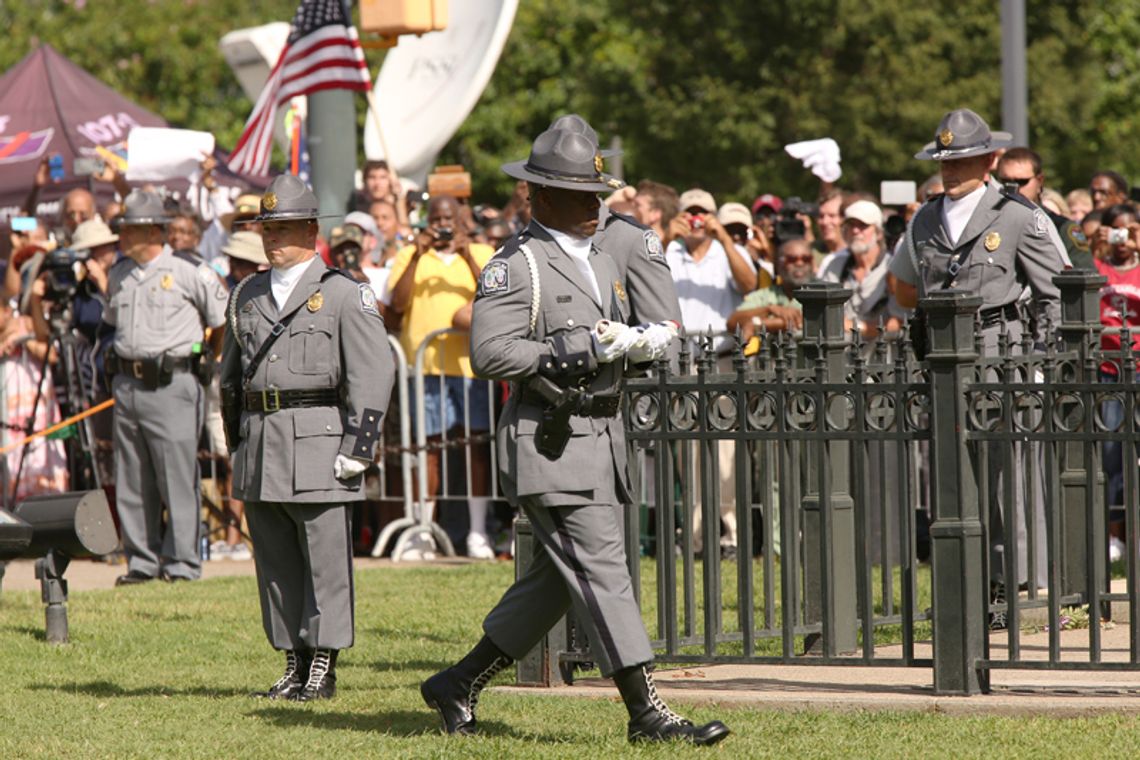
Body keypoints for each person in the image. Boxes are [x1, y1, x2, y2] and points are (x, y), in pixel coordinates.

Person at [420, 126, 728, 746]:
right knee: (604, 569)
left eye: (598, 192)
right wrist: (583, 346)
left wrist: (642, 344)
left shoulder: (605, 256)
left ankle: (457, 681)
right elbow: (489, 351)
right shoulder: (516, 263)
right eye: (581, 193)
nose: (596, 205)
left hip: (602, 435)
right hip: (551, 438)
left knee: (558, 584)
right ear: (539, 195)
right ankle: (648, 714)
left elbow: (616, 341)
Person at [888, 108, 1069, 624]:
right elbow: (903, 286)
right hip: (945, 361)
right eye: (944, 159)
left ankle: (1020, 587)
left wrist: (1041, 361)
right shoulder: (924, 219)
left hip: (1001, 353)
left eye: (962, 158)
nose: (951, 169)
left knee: (1010, 476)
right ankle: (964, 585)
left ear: (989, 159)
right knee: (952, 474)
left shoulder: (1015, 214)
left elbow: (1056, 292)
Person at [219, 175, 394, 701]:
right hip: (262, 442)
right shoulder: (246, 294)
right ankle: (292, 659)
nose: (275, 239)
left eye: (288, 228)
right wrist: (238, 445)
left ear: (313, 229)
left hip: (320, 442)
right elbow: (230, 378)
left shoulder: (342, 293)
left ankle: (323, 660)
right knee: (274, 562)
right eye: (268, 228)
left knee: (323, 560)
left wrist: (358, 449)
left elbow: (372, 374)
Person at [103, 189, 228, 585]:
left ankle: (182, 564)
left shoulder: (191, 270)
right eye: (123, 228)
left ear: (156, 230)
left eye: (132, 229)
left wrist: (206, 357)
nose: (123, 236)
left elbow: (221, 319)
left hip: (173, 383)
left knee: (176, 477)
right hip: (127, 384)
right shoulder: (119, 274)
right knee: (133, 477)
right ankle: (141, 561)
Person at [388, 194, 497, 559]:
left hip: (470, 366)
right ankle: (423, 533)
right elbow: (398, 303)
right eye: (437, 219)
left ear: (462, 219)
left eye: (450, 218)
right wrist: (418, 253)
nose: (444, 225)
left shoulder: (481, 253)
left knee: (475, 448)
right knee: (427, 451)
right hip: (426, 367)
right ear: (427, 221)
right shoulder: (410, 254)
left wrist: (467, 254)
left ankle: (478, 532)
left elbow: (498, 298)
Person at [1091, 203, 1140, 560]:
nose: (1122, 240)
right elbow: (1076, 279)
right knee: (1111, 456)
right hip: (1109, 370)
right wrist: (1093, 248)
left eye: (1129, 231)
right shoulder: (1099, 268)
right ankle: (1114, 535)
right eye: (1116, 232)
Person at [995, 147, 1093, 269]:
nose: (1013, 188)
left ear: (1040, 180)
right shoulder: (988, 221)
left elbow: (1084, 277)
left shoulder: (1061, 227)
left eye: (1021, 181)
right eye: (1005, 181)